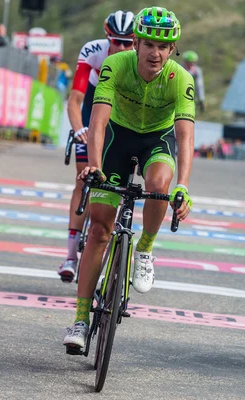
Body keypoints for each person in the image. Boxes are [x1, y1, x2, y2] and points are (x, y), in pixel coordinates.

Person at [63, 6, 195, 350]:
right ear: (136, 43)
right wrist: (94, 166)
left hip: (158, 140)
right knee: (99, 230)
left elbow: (185, 138)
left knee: (159, 185)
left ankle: (145, 249)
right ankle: (79, 318)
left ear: (172, 49)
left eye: (164, 47)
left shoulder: (181, 78)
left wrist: (184, 186)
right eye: (150, 44)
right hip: (116, 139)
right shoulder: (115, 65)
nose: (156, 53)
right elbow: (98, 122)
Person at [57, 10, 136, 283]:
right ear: (107, 37)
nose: (123, 47)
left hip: (120, 117)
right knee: (83, 182)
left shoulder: (141, 58)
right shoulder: (92, 52)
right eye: (117, 41)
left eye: (128, 42)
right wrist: (79, 129)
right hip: (92, 111)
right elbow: (76, 100)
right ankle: (70, 255)